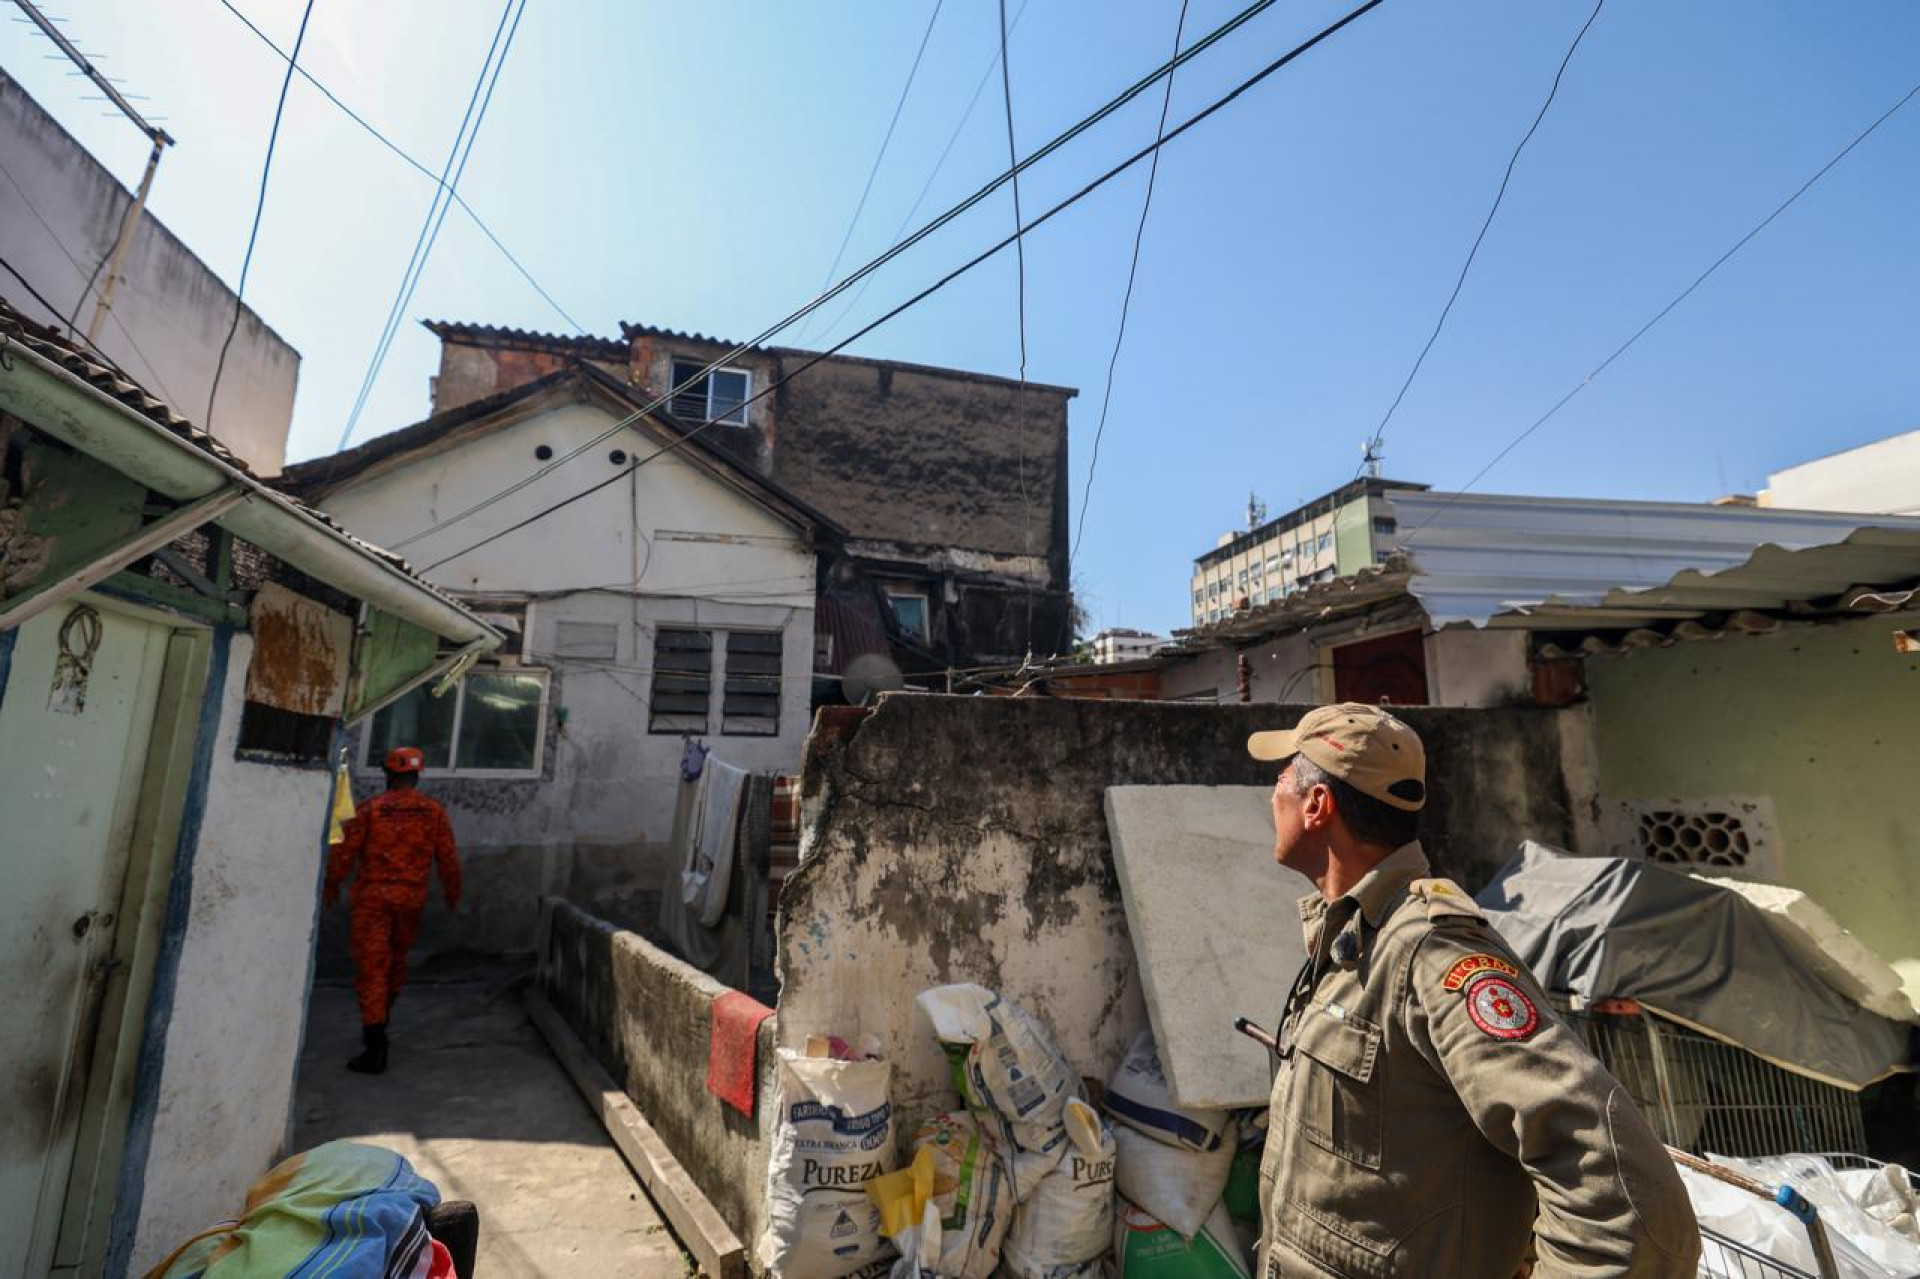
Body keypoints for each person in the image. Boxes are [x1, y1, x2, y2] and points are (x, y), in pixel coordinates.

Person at [1250, 703, 1700, 1277]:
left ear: (1318, 806)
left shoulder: (1431, 955)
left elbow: (1624, 1204)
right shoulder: (1356, 940)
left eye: (1283, 779)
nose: (1273, 795)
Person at [324, 746, 460, 1075]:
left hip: (374, 900)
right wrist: (452, 895)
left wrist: (331, 886)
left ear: (388, 774)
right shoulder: (433, 812)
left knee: (373, 969)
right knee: (396, 964)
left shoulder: (371, 810)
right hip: (410, 900)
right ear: (416, 776)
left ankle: (375, 1043)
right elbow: (449, 859)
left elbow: (344, 854)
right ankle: (381, 1020)